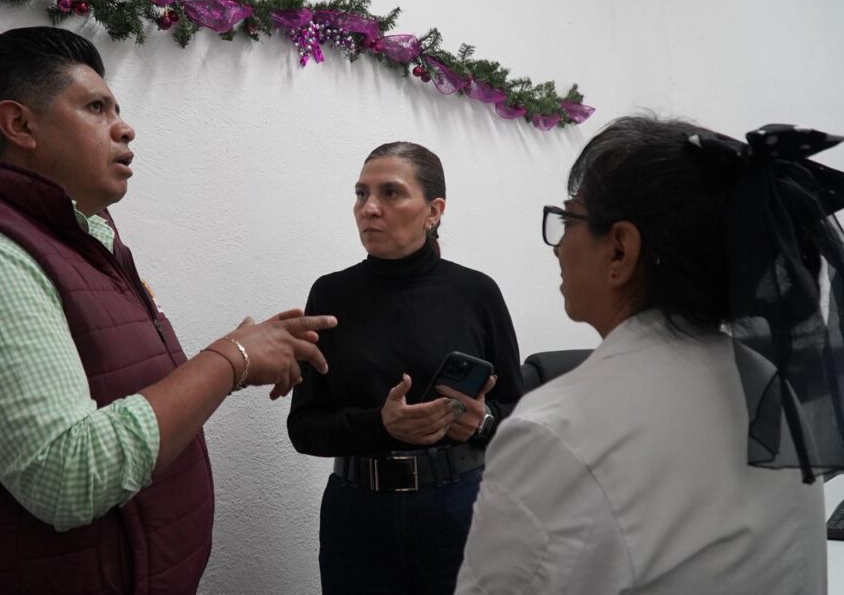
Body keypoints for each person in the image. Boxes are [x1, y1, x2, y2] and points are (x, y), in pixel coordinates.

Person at [0, 26, 336, 595]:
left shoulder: (80, 239)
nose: (124, 126)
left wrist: (240, 360)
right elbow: (68, 477)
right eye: (96, 108)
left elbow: (128, 393)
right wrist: (231, 357)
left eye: (116, 108)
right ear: (20, 126)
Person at [457, 115, 844, 594]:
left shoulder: (556, 430)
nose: (558, 247)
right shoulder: (771, 389)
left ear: (620, 251)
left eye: (569, 219)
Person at [287, 141, 523, 594]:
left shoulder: (476, 293)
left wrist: (483, 421)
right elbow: (304, 429)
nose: (369, 208)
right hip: (357, 519)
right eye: (361, 193)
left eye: (390, 193)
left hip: (459, 508)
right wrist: (381, 425)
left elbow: (520, 410)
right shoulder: (331, 295)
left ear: (434, 211)